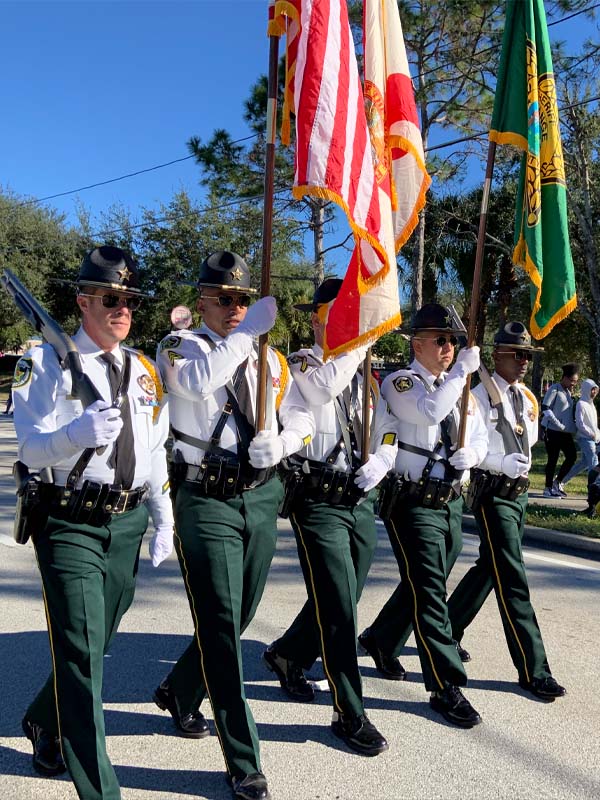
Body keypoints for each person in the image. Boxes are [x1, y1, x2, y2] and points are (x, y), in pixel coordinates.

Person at [13, 246, 174, 800]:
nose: (122, 309)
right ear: (83, 302)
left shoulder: (145, 370)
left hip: (125, 524)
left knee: (96, 639)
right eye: (111, 299)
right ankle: (101, 791)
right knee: (82, 653)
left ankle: (43, 717)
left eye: (129, 300)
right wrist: (72, 436)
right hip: (71, 521)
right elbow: (31, 451)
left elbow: (154, 451)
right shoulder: (46, 362)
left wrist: (162, 519)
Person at [154, 251, 314, 800]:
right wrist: (246, 335)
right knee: (221, 622)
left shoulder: (270, 357)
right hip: (206, 498)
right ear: (201, 300)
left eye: (242, 300)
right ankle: (242, 759)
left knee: (241, 611)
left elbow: (302, 412)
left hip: (261, 493)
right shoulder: (181, 346)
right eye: (223, 298)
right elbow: (197, 386)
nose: (234, 307)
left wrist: (288, 441)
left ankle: (179, 688)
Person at [263, 279, 394, 757]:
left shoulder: (365, 376)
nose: (340, 321)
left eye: (350, 314)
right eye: (333, 313)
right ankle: (348, 710)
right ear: (317, 317)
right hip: (317, 498)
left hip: (357, 498)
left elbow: (389, 429)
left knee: (345, 590)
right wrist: (357, 349)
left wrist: (383, 457)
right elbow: (321, 391)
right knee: (339, 604)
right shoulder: (305, 362)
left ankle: (288, 654)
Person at [359, 303, 487, 728]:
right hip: (412, 501)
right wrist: (458, 376)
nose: (449, 347)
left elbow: (480, 433)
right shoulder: (400, 380)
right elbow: (428, 412)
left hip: (449, 500)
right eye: (441, 339)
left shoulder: (460, 386)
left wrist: (475, 455)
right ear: (417, 344)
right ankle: (445, 684)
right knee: (430, 588)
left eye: (452, 340)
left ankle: (381, 639)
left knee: (425, 580)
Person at [447, 322, 566, 702]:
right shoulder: (479, 396)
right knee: (512, 575)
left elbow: (528, 441)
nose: (524, 361)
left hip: (519, 495)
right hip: (494, 493)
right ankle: (534, 668)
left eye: (528, 356)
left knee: (491, 567)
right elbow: (473, 446)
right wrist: (501, 462)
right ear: (496, 356)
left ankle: (445, 629)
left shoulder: (528, 398)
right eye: (517, 355)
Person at [541, 362, 579, 497]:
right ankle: (547, 488)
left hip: (565, 432)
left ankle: (557, 482)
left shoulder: (568, 392)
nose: (574, 383)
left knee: (572, 456)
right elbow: (545, 408)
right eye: (573, 380)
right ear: (566, 378)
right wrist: (558, 424)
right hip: (552, 431)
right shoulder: (554, 389)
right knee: (553, 459)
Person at [561, 378, 600, 488]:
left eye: (595, 390)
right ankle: (594, 488)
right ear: (587, 389)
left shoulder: (591, 405)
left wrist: (597, 434)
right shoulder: (581, 404)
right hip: (585, 438)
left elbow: (593, 424)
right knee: (594, 462)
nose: (594, 392)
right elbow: (580, 424)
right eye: (592, 389)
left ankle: (561, 481)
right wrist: (591, 434)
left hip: (594, 438)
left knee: (583, 463)